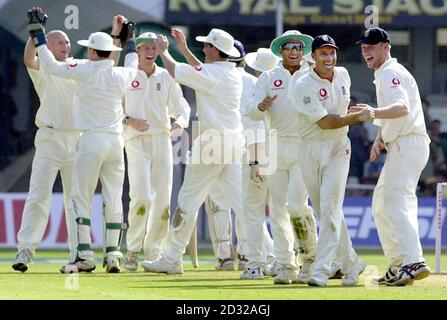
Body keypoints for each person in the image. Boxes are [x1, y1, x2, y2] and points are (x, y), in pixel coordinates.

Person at [27, 7, 139, 273]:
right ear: (111, 53)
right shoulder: (121, 74)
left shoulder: (85, 69)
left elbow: (51, 66)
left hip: (90, 140)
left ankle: (84, 255)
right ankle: (113, 255)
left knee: (80, 197)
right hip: (116, 142)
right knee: (113, 197)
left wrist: (37, 35)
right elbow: (132, 62)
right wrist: (128, 39)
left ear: (90, 52)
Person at [141, 28, 246, 275]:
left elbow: (175, 71)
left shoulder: (212, 73)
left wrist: (165, 52)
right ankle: (269, 257)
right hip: (233, 143)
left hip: (211, 144)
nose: (204, 48)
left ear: (214, 50)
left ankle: (171, 258)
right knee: (244, 205)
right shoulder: (227, 72)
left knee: (188, 201)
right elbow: (201, 72)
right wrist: (185, 50)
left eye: (207, 46)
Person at [289, 34, 373, 287]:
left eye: (332, 52)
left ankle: (322, 269)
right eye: (323, 53)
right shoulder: (303, 84)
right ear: (312, 57)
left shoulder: (344, 74)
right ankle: (351, 263)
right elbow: (325, 122)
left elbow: (340, 116)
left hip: (338, 148)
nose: (329, 58)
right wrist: (358, 118)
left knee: (330, 207)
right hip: (310, 148)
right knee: (327, 210)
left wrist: (353, 116)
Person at [355, 27, 431, 286]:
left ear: (386, 47)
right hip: (402, 143)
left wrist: (372, 113)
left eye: (372, 47)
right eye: (364, 48)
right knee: (381, 204)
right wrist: (380, 137)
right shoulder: (383, 74)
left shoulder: (389, 72)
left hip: (408, 143)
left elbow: (401, 108)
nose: (366, 52)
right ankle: (399, 263)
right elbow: (397, 112)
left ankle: (413, 261)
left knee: (397, 200)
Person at [248, 30, 318, 285]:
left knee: (297, 205)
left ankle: (310, 259)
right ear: (281, 50)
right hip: (275, 145)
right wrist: (261, 106)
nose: (294, 51)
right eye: (289, 47)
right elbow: (251, 111)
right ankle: (286, 265)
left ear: (303, 51)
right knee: (277, 210)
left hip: (303, 145)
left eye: (298, 47)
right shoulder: (268, 77)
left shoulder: (312, 74)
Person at [12, 8, 79, 273]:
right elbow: (30, 59)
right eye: (60, 42)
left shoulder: (77, 68)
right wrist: (34, 33)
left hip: (77, 139)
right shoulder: (45, 69)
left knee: (75, 200)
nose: (66, 45)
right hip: (50, 138)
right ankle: (25, 250)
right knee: (38, 195)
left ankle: (78, 253)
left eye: (68, 42)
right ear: (48, 46)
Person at [121, 32, 190, 271]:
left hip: (162, 140)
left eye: (154, 47)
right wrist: (130, 120)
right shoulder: (128, 75)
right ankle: (132, 249)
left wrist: (180, 121)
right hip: (135, 140)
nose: (150, 51)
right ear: (138, 51)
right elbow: (111, 107)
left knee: (162, 201)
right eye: (146, 47)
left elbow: (181, 106)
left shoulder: (166, 76)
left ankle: (154, 251)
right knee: (141, 197)